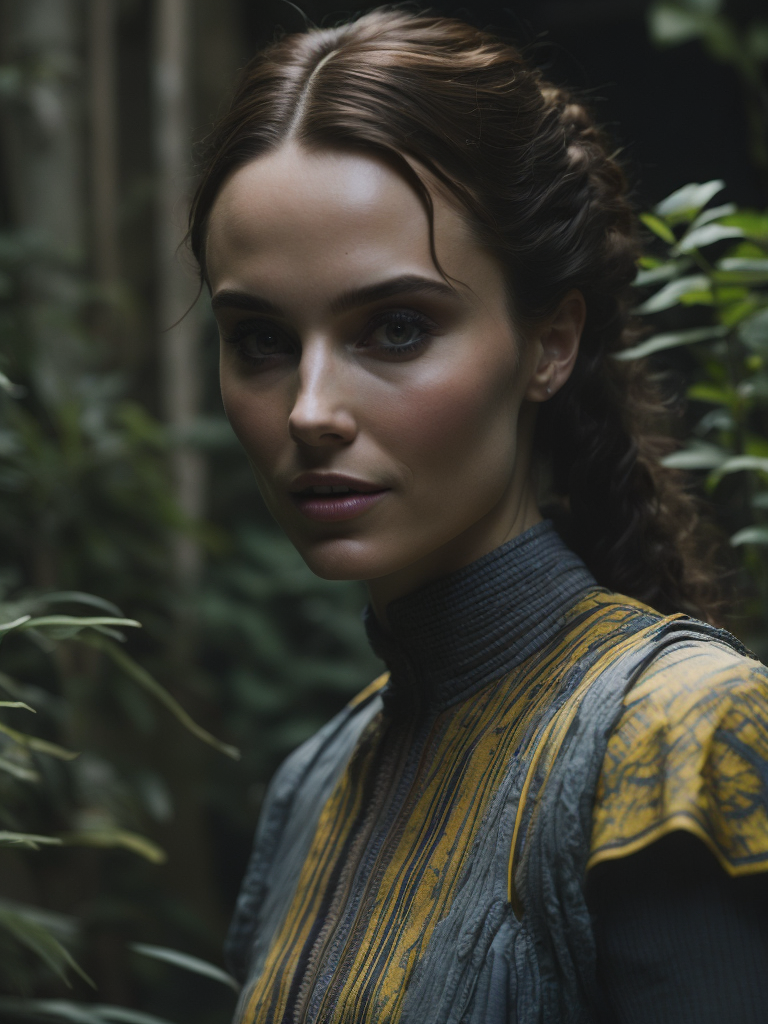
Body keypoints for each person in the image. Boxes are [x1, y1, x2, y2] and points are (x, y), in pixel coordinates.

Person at [189, 9, 768, 1022]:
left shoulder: (684, 733)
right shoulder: (314, 787)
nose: (310, 410)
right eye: (262, 340)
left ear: (549, 344)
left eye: (398, 327)